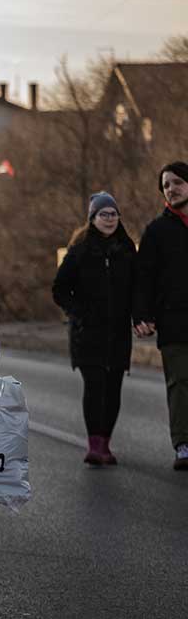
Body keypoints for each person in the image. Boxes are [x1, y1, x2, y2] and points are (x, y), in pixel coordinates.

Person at [52, 192, 136, 465]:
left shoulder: (126, 250)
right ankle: (94, 445)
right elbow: (60, 289)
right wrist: (79, 313)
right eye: (103, 214)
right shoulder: (80, 251)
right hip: (87, 333)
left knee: (113, 388)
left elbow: (137, 289)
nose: (109, 219)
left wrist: (140, 316)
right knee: (95, 386)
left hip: (119, 333)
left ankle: (106, 443)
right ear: (93, 218)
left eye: (113, 214)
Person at [133, 161, 188, 471]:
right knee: (180, 383)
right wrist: (142, 315)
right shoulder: (157, 230)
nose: (171, 188)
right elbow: (144, 278)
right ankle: (183, 444)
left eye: (178, 182)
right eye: (166, 185)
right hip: (174, 320)